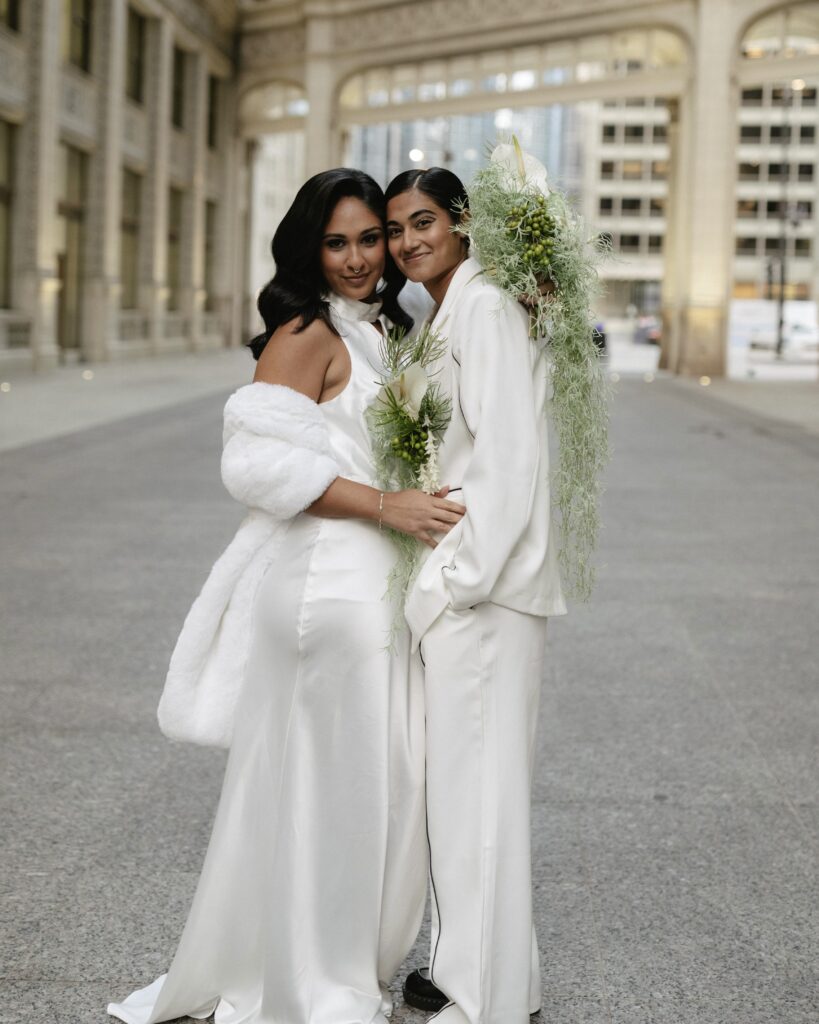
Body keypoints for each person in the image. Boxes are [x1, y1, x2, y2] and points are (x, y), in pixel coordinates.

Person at [107, 168, 465, 1024]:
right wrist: (386, 504)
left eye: (368, 238)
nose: (355, 258)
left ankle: (323, 961)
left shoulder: (385, 326)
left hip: (371, 587)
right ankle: (305, 980)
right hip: (323, 590)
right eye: (335, 242)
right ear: (309, 248)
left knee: (363, 785)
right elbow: (256, 468)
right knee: (328, 790)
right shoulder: (305, 333)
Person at [384, 168, 566, 1024]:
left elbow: (508, 460)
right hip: (467, 587)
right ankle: (483, 974)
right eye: (395, 230)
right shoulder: (445, 310)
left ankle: (483, 1002)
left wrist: (457, 584)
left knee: (480, 800)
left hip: (484, 594)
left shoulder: (486, 307)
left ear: (461, 222)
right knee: (461, 795)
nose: (407, 241)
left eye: (423, 222)